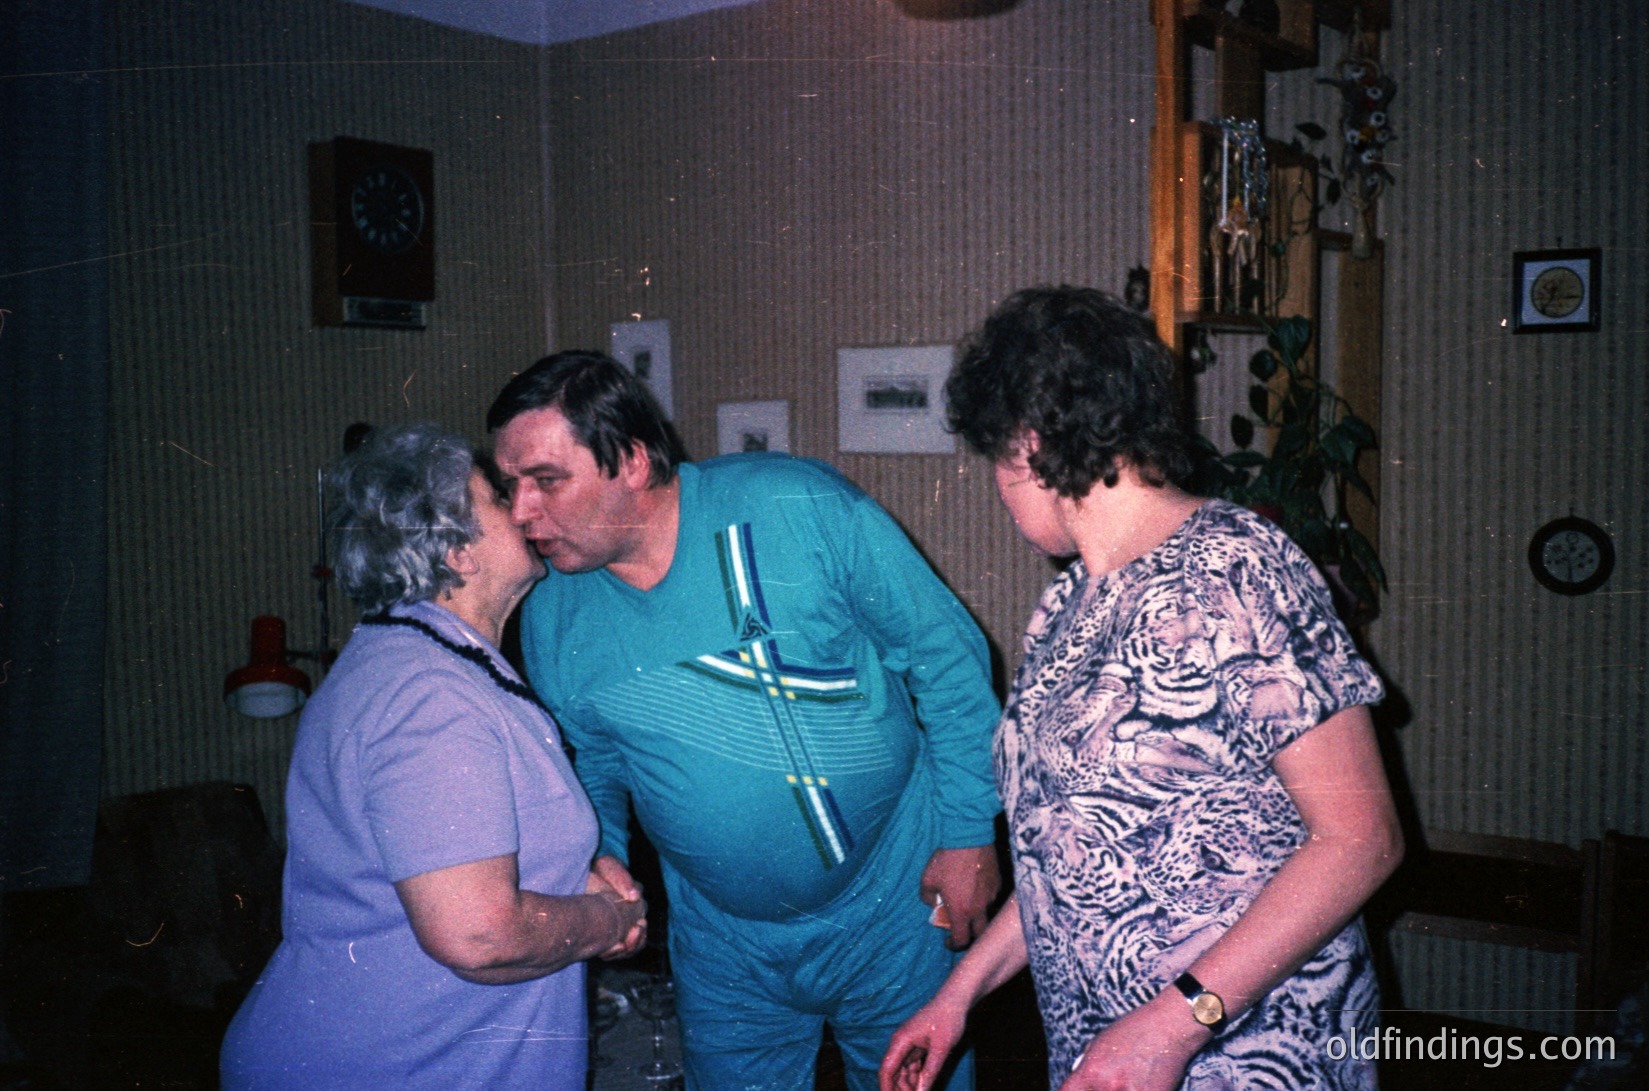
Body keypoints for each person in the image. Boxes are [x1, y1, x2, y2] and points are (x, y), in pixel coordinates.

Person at [880, 287, 1404, 1091]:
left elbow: (1360, 840)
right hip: (1111, 1059)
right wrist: (956, 996)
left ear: (1027, 444)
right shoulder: (1069, 600)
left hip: (1246, 1051)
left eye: (994, 460)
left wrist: (1168, 1025)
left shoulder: (1236, 567)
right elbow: (1074, 853)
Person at [487, 352, 1002, 1091]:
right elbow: (594, 760)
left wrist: (967, 833)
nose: (520, 512)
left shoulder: (798, 507)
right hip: (724, 943)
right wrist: (598, 854)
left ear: (630, 461)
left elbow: (947, 657)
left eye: (545, 479)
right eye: (510, 486)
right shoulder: (552, 617)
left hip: (893, 905)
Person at [220, 423, 645, 1090]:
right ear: (459, 552)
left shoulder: (418, 661)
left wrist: (574, 874)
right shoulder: (427, 694)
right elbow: (478, 933)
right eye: (501, 499)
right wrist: (604, 920)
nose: (526, 509)